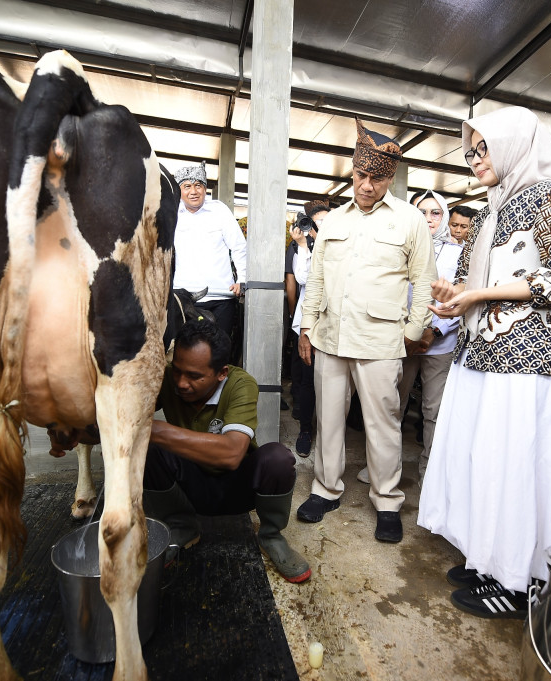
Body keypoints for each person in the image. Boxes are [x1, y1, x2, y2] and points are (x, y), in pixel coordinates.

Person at [418, 106, 551, 618]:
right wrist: (456, 296)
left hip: (526, 358)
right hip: (480, 353)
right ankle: (488, 558)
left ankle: (517, 580)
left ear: (514, 143)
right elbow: (476, 287)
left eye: (483, 148)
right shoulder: (491, 208)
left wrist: (479, 295)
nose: (474, 160)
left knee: (516, 464)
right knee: (482, 458)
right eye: (469, 152)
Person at [295, 119, 437, 544]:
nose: (368, 185)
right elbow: (316, 280)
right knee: (329, 418)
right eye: (361, 176)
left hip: (380, 341)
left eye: (377, 178)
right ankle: (326, 489)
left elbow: (424, 279)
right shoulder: (334, 221)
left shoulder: (410, 220)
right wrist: (306, 327)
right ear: (351, 173)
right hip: (330, 337)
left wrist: (415, 330)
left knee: (383, 423)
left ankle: (388, 499)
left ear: (390, 178)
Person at [143, 320, 310, 583]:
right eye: (177, 371)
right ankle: (181, 528)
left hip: (236, 490)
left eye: (195, 376)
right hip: (190, 485)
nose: (182, 383)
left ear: (221, 373)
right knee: (146, 451)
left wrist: (153, 429)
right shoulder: (168, 380)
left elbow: (232, 454)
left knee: (278, 458)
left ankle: (270, 536)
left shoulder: (240, 384)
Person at [358, 189, 463, 485]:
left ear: (444, 216)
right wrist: (408, 331)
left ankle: (429, 473)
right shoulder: (400, 246)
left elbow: (463, 296)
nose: (428, 218)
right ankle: (381, 468)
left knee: (434, 410)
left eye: (435, 212)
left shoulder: (457, 254)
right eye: (421, 212)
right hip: (400, 340)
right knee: (391, 406)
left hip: (440, 343)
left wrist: (434, 330)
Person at [171, 161, 247, 341]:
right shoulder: (172, 213)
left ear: (205, 189)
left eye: (198, 185)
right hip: (183, 299)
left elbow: (238, 247)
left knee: (218, 351)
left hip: (221, 297)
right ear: (179, 190)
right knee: (185, 352)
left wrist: (242, 279)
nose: (193, 191)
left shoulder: (219, 210)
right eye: (187, 186)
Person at [287, 209, 321, 456]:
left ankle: (331, 432)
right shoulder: (305, 248)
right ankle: (305, 430)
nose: (317, 228)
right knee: (307, 380)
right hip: (310, 323)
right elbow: (302, 277)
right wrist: (303, 244)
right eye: (316, 223)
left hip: (337, 324)